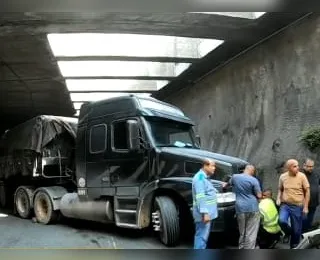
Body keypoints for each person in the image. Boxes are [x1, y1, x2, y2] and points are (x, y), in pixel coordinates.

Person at [277, 159, 310, 248]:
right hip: (285, 205)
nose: (298, 168)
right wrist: (278, 198)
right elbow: (280, 189)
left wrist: (306, 207)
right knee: (281, 221)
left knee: (296, 231)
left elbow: (307, 191)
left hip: (297, 206)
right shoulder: (282, 177)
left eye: (298, 165)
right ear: (289, 168)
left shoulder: (302, 176)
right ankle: (288, 232)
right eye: (295, 166)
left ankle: (294, 247)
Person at [226, 165, 262, 249]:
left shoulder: (235, 177)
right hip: (253, 207)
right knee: (251, 233)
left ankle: (241, 248)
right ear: (252, 171)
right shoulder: (254, 180)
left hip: (240, 208)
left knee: (242, 232)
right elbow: (259, 195)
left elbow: (226, 185)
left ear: (245, 169)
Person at [192, 158, 218, 249]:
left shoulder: (204, 177)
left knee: (203, 237)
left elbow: (207, 190)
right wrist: (205, 213)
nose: (214, 168)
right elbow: (200, 196)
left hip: (207, 214)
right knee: (201, 237)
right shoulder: (199, 178)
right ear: (205, 166)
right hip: (203, 215)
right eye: (212, 166)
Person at [302, 158, 320, 232]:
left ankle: (305, 234)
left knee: (309, 219)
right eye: (309, 166)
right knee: (303, 219)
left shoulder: (316, 174)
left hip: (314, 202)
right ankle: (300, 233)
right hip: (302, 203)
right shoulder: (299, 174)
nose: (310, 168)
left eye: (312, 166)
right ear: (304, 165)